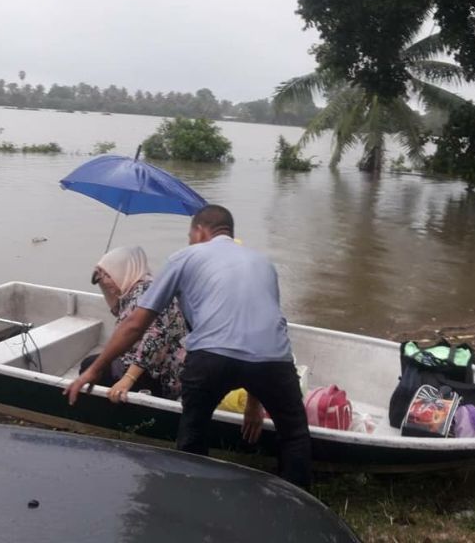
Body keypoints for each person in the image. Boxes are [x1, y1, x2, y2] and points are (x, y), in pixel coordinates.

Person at [65, 205, 312, 488]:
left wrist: (95, 370)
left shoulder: (186, 256)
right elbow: (261, 330)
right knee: (294, 434)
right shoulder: (263, 263)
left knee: (194, 431)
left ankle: (190, 495)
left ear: (199, 230)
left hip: (210, 358)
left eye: (190, 235)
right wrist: (255, 403)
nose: (189, 241)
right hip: (274, 360)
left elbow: (136, 323)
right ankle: (298, 502)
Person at [81, 246, 187, 402]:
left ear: (122, 270)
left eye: (108, 275)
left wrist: (128, 379)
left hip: (160, 376)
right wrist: (102, 283)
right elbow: (120, 311)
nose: (105, 281)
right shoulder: (139, 286)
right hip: (155, 367)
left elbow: (155, 338)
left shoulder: (144, 292)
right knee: (94, 364)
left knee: (90, 366)